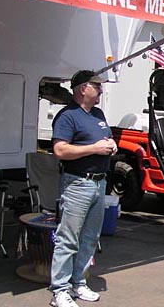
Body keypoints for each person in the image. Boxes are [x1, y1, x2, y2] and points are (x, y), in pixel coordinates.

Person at [49, 70, 118, 307]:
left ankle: (78, 282)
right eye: (96, 86)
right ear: (82, 89)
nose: (100, 90)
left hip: (99, 183)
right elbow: (60, 151)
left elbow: (105, 138)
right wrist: (94, 149)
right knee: (68, 238)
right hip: (77, 183)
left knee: (90, 237)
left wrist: (111, 145)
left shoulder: (97, 113)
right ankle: (59, 290)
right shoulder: (67, 116)